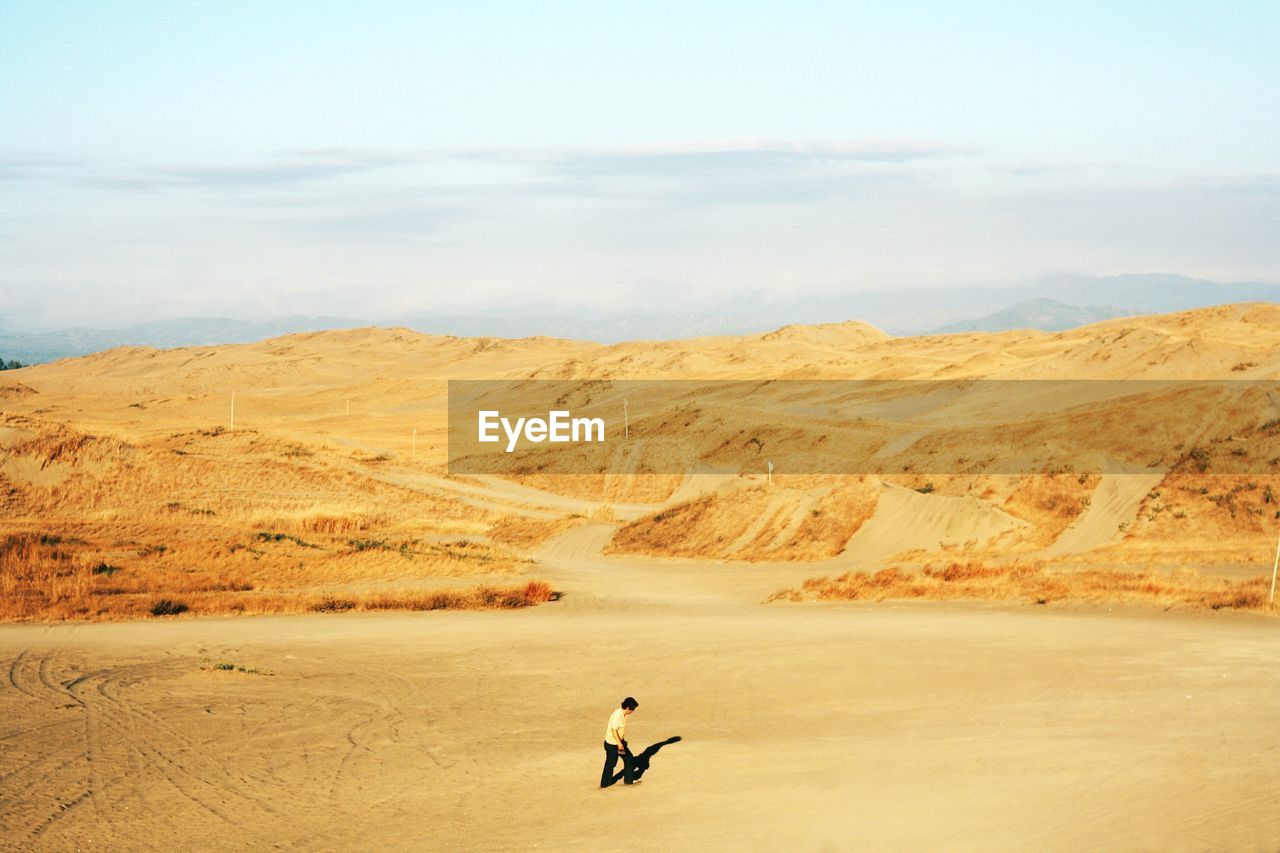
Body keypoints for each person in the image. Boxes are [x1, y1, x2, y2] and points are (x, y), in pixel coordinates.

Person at [600, 697, 639, 788]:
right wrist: (620, 743)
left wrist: (622, 741)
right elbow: (614, 730)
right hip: (612, 744)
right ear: (628, 708)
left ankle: (629, 780)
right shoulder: (617, 716)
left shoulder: (624, 714)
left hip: (618, 742)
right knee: (611, 764)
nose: (633, 711)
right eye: (632, 709)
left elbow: (620, 730)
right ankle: (605, 783)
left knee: (629, 759)